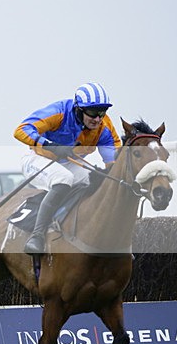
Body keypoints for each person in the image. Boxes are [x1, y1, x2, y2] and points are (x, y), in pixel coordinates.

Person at [13, 82, 122, 255]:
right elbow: (21, 130)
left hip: (69, 164)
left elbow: (113, 162)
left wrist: (111, 174)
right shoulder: (59, 112)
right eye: (93, 112)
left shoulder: (104, 127)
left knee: (96, 181)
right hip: (37, 159)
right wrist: (50, 146)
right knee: (63, 178)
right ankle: (37, 236)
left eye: (103, 112)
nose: (98, 119)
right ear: (78, 109)